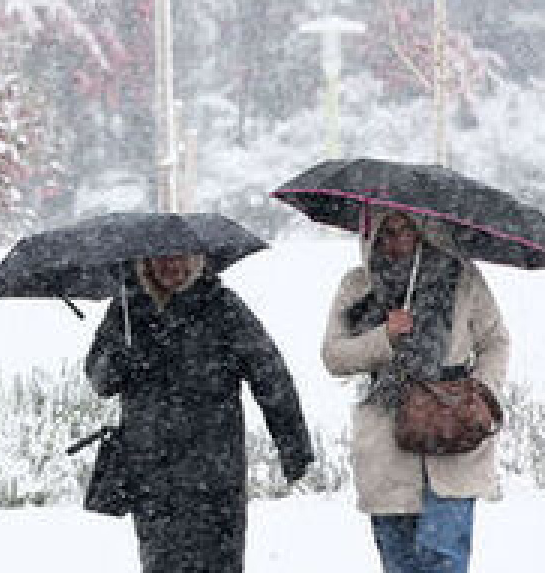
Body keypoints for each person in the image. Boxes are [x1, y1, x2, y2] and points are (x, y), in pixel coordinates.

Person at [85, 251, 315, 573]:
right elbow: (100, 381)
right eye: (161, 258)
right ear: (145, 263)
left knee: (219, 564)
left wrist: (293, 446)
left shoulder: (223, 307)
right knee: (161, 564)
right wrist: (119, 358)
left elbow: (270, 375)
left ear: (197, 261)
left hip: (214, 469)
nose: (171, 265)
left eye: (180, 257)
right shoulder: (126, 310)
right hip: (152, 472)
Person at [321, 208, 510, 573]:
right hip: (386, 441)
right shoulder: (358, 285)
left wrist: (481, 394)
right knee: (399, 562)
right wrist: (385, 338)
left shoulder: (462, 278)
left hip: (454, 432)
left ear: (425, 232)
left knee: (444, 557)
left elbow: (495, 342)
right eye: (386, 232)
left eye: (406, 230)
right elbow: (334, 356)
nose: (396, 241)